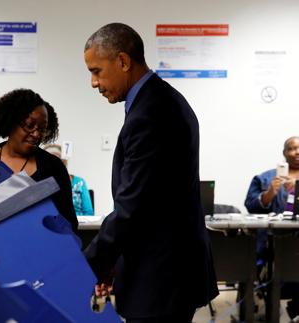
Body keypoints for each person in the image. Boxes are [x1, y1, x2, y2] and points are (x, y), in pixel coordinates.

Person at [82, 23, 218, 322]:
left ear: (122, 61)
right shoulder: (158, 102)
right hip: (163, 270)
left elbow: (133, 206)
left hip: (161, 275)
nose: (94, 82)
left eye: (97, 71)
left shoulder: (152, 113)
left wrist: (88, 264)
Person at [0, 88, 78, 232]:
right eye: (29, 125)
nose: (36, 134)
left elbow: (69, 224)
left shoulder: (53, 166)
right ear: (11, 121)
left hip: (29, 251)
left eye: (42, 129)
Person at [244, 136, 299, 318]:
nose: (297, 152)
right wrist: (269, 193)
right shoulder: (266, 178)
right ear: (284, 153)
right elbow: (250, 205)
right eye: (292, 148)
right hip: (273, 248)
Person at [43, 144, 94, 215]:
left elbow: (89, 212)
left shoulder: (79, 182)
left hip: (79, 224)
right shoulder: (42, 185)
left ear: (64, 163)